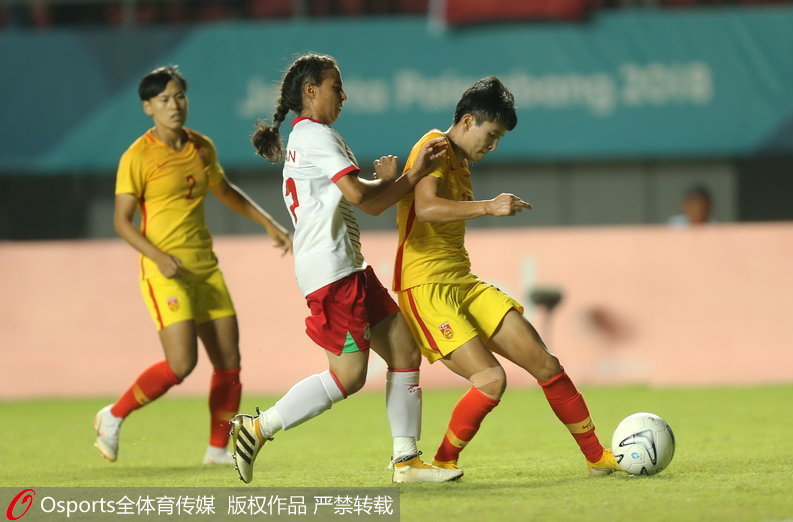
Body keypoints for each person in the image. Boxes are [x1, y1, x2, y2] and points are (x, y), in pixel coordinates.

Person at [229, 53, 461, 484]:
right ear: (310, 91)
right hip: (332, 272)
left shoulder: (311, 137)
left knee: (405, 351)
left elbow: (366, 201)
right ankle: (258, 427)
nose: (344, 95)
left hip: (349, 267)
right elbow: (360, 196)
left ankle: (407, 462)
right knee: (349, 377)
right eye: (336, 86)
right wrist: (405, 176)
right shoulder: (316, 136)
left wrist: (400, 178)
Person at [393, 76, 623, 476]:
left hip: (462, 282)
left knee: (546, 363)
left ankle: (596, 458)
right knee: (491, 380)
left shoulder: (461, 163)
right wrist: (489, 206)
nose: (494, 145)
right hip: (425, 288)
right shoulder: (433, 145)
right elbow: (425, 208)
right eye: (492, 135)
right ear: (468, 121)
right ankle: (444, 460)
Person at [94, 65, 292, 465]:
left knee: (230, 363)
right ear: (148, 107)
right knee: (182, 364)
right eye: (164, 99)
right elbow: (121, 222)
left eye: (179, 96)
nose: (174, 105)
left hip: (205, 268)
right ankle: (112, 416)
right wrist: (159, 257)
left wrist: (268, 223)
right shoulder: (137, 156)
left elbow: (225, 190)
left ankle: (217, 451)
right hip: (164, 271)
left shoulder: (201, 147)